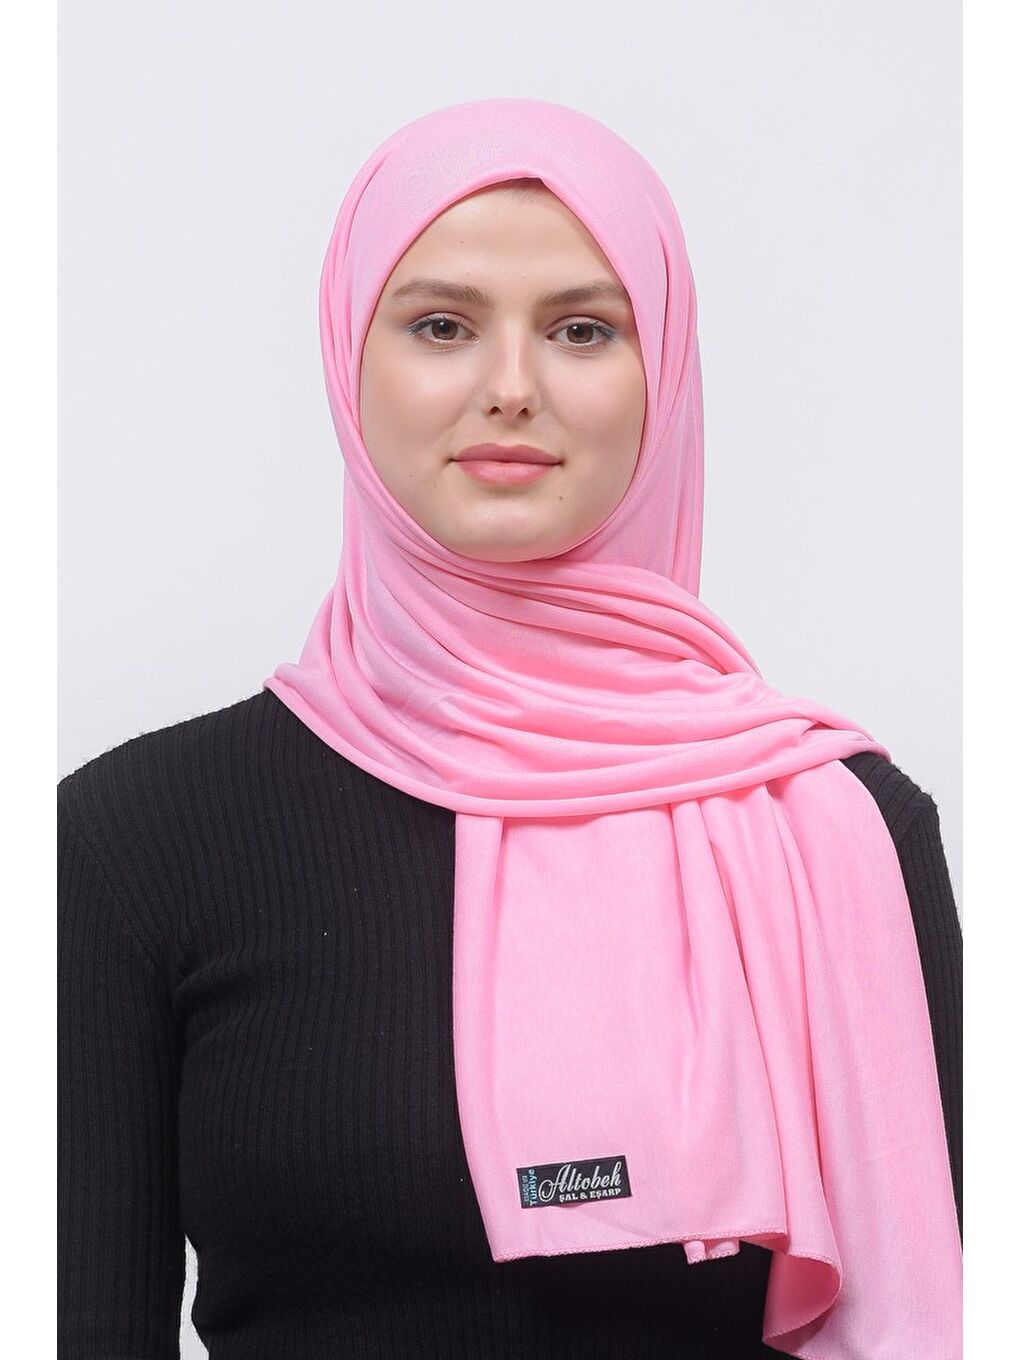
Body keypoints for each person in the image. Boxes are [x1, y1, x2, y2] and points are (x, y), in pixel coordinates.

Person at [58, 98, 962, 1359]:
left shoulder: (843, 830)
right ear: (348, 360)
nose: (513, 388)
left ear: (665, 374)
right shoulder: (133, 842)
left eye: (582, 329)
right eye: (441, 325)